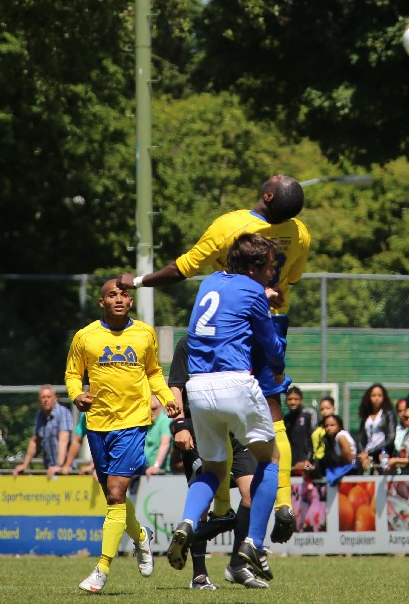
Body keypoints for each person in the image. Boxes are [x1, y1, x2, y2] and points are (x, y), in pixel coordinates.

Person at [118, 175, 309, 543]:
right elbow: (292, 280)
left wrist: (138, 281)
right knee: (273, 415)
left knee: (219, 427)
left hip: (229, 326)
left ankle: (220, 509)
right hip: (271, 322)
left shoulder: (230, 226)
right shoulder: (300, 233)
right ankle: (283, 503)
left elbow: (181, 269)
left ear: (268, 194)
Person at [168, 234, 286, 585]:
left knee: (213, 470)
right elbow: (272, 348)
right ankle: (254, 544)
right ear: (252, 268)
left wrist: (261, 296)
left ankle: (188, 522)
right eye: (268, 267)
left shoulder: (209, 282)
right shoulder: (253, 291)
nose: (272, 273)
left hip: (199, 389)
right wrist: (278, 357)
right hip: (235, 382)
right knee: (270, 459)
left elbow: (229, 309)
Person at [65, 277, 178, 593]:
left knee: (116, 493)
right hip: (98, 424)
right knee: (113, 495)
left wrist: (167, 397)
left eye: (124, 294)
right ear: (102, 302)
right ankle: (141, 536)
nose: (118, 298)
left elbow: (153, 372)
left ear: (131, 301)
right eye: (112, 294)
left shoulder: (144, 333)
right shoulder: (85, 336)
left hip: (133, 423)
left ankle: (101, 569)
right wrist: (76, 395)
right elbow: (73, 375)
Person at [167, 333, 264, 590]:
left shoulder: (241, 338)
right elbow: (175, 386)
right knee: (204, 501)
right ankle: (199, 575)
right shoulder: (188, 343)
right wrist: (179, 425)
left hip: (236, 428)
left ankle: (237, 566)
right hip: (200, 428)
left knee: (251, 493)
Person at [12, 385, 73, 477]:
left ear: (55, 399)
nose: (46, 400)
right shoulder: (40, 415)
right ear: (39, 400)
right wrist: (25, 464)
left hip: (66, 470)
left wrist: (58, 465)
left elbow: (64, 439)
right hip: (49, 470)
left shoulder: (63, 413)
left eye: (49, 397)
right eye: (43, 397)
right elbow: (34, 441)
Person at [355, 383, 397, 472]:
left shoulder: (388, 414)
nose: (376, 398)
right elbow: (360, 438)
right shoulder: (366, 416)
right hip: (367, 455)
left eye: (379, 395)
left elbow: (390, 438)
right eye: (373, 395)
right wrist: (363, 453)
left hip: (382, 454)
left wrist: (369, 452)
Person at [283, 387, 317, 474]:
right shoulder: (286, 419)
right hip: (293, 465)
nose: (293, 402)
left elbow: (314, 439)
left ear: (301, 400)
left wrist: (307, 459)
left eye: (296, 399)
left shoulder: (309, 414)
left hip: (308, 464)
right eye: (290, 399)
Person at [314, 413, 357, 481]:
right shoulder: (331, 439)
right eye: (326, 426)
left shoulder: (341, 437)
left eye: (332, 425)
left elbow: (349, 459)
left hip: (351, 470)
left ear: (339, 426)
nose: (329, 428)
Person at [144, 396, 173, 475]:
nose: (151, 412)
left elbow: (165, 443)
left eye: (154, 409)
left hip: (160, 472)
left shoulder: (165, 421)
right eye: (148, 409)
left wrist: (156, 465)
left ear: (160, 407)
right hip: (144, 470)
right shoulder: (145, 423)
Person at [310, 397, 336, 463]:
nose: (325, 411)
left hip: (330, 462)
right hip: (316, 462)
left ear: (334, 409)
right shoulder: (318, 428)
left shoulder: (337, 427)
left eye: (327, 408)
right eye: (322, 409)